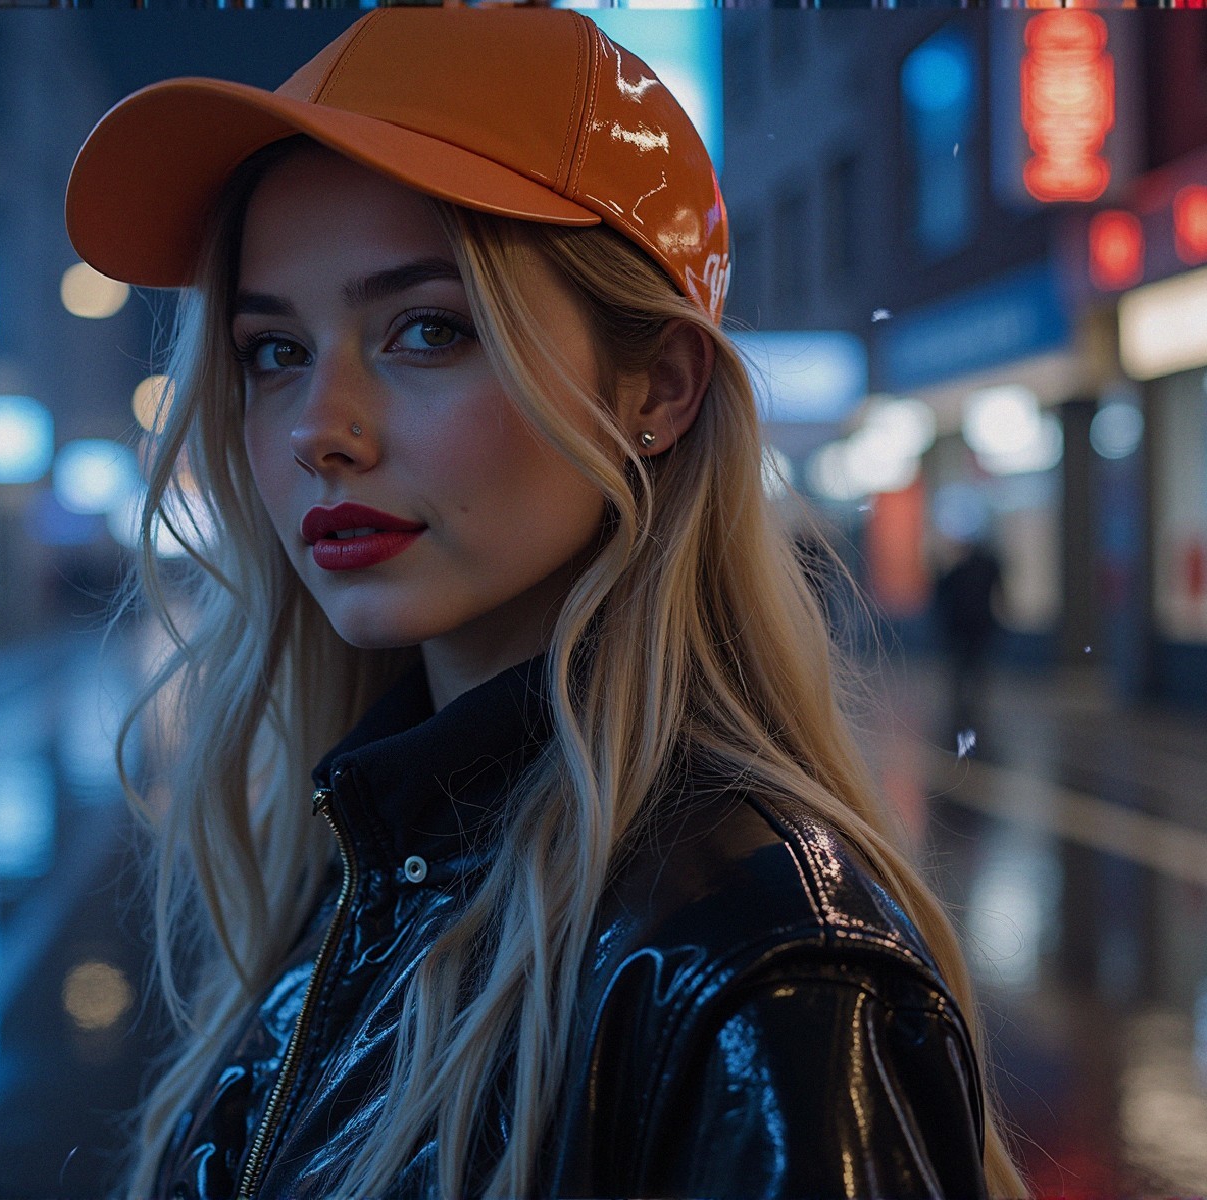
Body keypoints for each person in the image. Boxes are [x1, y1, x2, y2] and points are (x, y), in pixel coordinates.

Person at [67, 11, 1024, 1198]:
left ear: (657, 389)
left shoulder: (759, 972)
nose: (318, 427)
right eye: (274, 350)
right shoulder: (376, 851)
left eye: (427, 330)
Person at [933, 536, 1006, 739]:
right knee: (973, 667)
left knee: (964, 668)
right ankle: (969, 705)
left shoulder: (960, 569)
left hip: (967, 626)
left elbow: (943, 594)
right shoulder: (984, 567)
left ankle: (963, 705)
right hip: (977, 625)